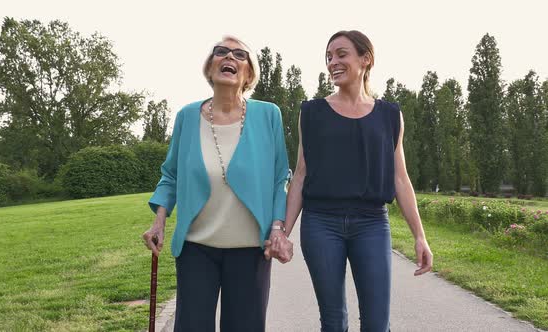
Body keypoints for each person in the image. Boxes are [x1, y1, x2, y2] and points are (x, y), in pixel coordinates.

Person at [282, 30, 433, 332]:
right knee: (334, 322)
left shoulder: (390, 115)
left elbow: (400, 179)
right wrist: (283, 232)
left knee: (377, 324)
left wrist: (420, 236)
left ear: (365, 59)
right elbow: (300, 175)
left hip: (372, 223)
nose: (332, 62)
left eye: (341, 54)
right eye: (328, 57)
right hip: (321, 223)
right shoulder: (311, 113)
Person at [142, 35, 293, 332]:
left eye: (239, 55)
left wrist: (278, 228)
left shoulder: (268, 115)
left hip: (251, 249)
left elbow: (280, 177)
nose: (229, 58)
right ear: (209, 66)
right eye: (221, 52)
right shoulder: (187, 116)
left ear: (248, 72)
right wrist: (159, 221)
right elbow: (170, 174)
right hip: (196, 247)